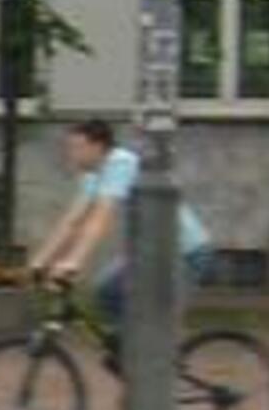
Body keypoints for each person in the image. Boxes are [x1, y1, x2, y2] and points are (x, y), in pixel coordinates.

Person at [30, 119, 214, 335]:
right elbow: (73, 220)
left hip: (184, 251)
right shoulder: (93, 173)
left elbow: (100, 219)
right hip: (149, 250)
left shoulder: (120, 163)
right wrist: (40, 261)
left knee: (160, 323)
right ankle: (132, 352)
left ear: (97, 147)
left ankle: (158, 360)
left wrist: (73, 262)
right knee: (106, 292)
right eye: (70, 148)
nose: (71, 154)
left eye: (77, 147)